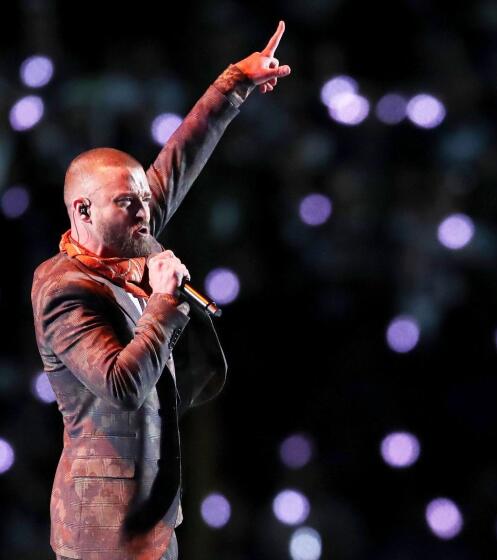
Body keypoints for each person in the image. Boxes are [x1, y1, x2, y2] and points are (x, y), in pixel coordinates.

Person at [30, 19, 291, 560]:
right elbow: (121, 384)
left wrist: (233, 83)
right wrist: (167, 304)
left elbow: (179, 160)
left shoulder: (134, 238)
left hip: (155, 519)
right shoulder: (64, 290)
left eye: (145, 200)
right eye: (128, 202)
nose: (145, 210)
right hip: (102, 533)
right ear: (83, 211)